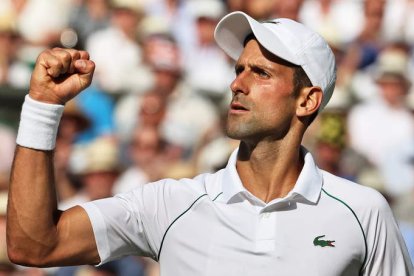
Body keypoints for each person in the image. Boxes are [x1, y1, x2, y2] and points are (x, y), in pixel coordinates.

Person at [7, 11, 413, 276]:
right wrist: (43, 106)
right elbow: (35, 245)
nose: (237, 83)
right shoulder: (169, 204)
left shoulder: (363, 212)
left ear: (307, 100)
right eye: (238, 69)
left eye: (261, 73)